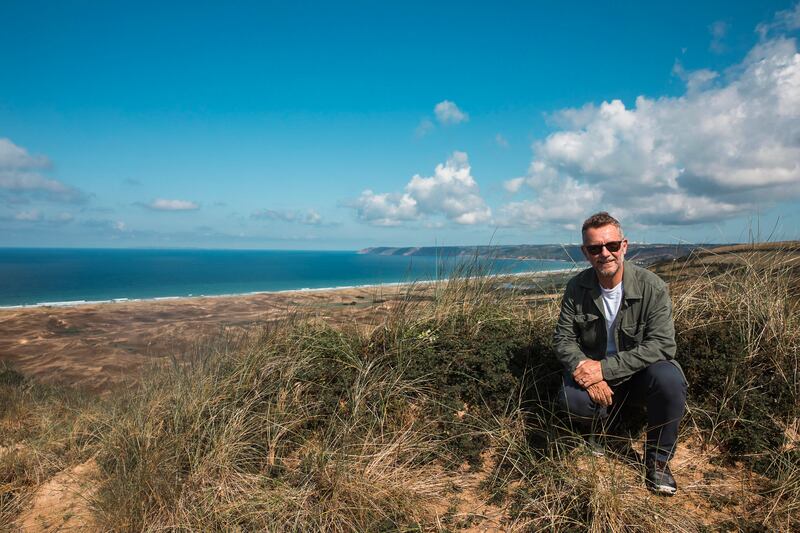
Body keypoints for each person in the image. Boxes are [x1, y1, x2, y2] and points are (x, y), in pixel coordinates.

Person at [553, 211, 687, 495]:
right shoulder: (576, 287)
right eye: (595, 248)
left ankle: (658, 461)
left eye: (612, 245)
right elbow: (564, 339)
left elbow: (663, 344)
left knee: (670, 380)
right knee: (571, 399)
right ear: (585, 253)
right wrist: (589, 371)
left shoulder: (652, 287)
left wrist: (605, 369)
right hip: (595, 377)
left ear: (624, 246)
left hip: (637, 377)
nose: (605, 253)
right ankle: (602, 428)